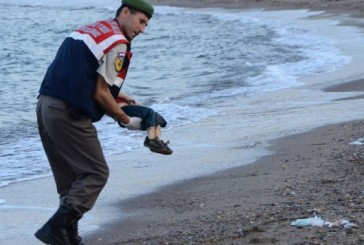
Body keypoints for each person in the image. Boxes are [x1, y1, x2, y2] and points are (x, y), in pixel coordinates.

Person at [35, 0, 155, 244]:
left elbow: (80, 70)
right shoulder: (119, 42)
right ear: (125, 12)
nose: (143, 29)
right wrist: (125, 119)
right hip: (68, 112)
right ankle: (55, 228)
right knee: (95, 173)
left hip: (45, 105)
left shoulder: (92, 29)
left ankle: (68, 237)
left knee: (70, 181)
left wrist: (117, 94)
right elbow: (100, 94)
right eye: (141, 21)